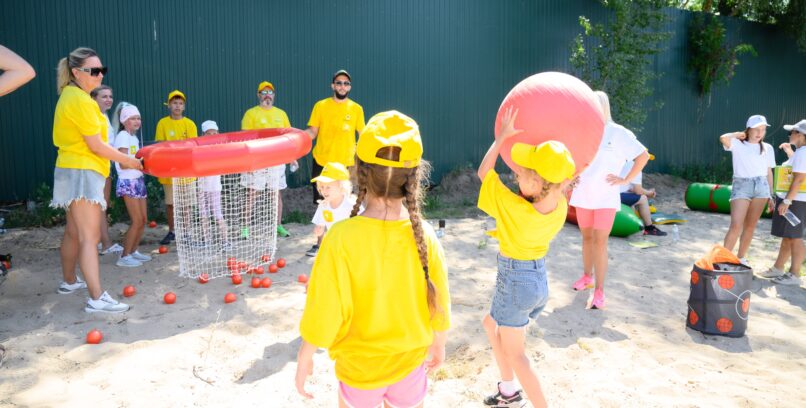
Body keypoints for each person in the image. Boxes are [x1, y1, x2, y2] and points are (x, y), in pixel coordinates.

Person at [295, 111, 451, 408]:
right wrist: (439, 343)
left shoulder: (340, 238)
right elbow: (439, 300)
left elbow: (324, 306)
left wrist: (306, 355)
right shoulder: (426, 235)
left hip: (358, 371)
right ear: (414, 178)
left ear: (359, 173)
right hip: (410, 367)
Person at [477, 108, 576, 408]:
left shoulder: (516, 208)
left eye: (520, 174)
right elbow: (560, 182)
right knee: (489, 325)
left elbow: (484, 173)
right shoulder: (559, 205)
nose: (515, 176)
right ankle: (508, 391)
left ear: (535, 185)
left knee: (517, 355)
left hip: (515, 282)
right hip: (535, 281)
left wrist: (501, 138)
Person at [51, 47, 142, 313]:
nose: (100, 74)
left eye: (103, 69)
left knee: (73, 231)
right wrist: (130, 161)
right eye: (94, 71)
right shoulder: (79, 100)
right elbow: (97, 146)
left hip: (72, 169)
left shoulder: (74, 97)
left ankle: (69, 281)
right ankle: (96, 297)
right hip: (83, 171)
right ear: (76, 73)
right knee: (89, 238)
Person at [570, 91, 649, 310]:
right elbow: (574, 159)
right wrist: (572, 177)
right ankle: (587, 277)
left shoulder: (618, 132)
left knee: (600, 241)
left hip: (605, 196)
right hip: (583, 193)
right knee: (586, 238)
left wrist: (626, 179)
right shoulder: (582, 131)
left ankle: (599, 292)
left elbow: (642, 155)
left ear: (603, 107)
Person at [241, 81, 297, 238]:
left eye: (270, 92)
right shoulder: (251, 114)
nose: (267, 95)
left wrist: (291, 157)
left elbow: (288, 138)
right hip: (257, 160)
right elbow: (245, 138)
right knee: (252, 193)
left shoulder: (281, 114)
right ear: (258, 95)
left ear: (274, 96)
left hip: (276, 161)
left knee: (275, 194)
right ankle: (245, 229)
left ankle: (278, 225)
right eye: (264, 92)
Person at [718, 115, 776, 265]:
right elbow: (723, 138)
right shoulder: (737, 143)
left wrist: (771, 194)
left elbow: (769, 172)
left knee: (750, 226)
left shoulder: (768, 148)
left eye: (762, 129)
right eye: (756, 129)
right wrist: (737, 134)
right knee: (736, 225)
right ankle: (724, 260)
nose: (759, 133)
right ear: (748, 129)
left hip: (762, 187)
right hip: (741, 185)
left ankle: (741, 258)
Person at [305, 69, 366, 203]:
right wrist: (298, 138)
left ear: (349, 87)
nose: (342, 86)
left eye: (346, 83)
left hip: (345, 165)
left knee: (344, 202)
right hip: (322, 162)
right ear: (333, 86)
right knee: (322, 203)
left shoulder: (357, 109)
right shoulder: (320, 106)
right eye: (339, 83)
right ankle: (324, 225)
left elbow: (363, 136)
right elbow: (312, 132)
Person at [763, 119, 806, 286]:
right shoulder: (801, 152)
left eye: (792, 132)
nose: (789, 135)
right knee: (789, 236)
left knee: (794, 237)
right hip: (795, 199)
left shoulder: (803, 153)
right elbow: (798, 168)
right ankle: (778, 268)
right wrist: (790, 153)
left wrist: (787, 200)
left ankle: (794, 274)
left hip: (795, 200)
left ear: (801, 135)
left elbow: (799, 178)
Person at [155, 90, 197, 245]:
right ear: (169, 105)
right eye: (174, 103)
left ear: (184, 106)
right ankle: (172, 231)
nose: (177, 106)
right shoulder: (162, 123)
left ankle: (187, 234)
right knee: (171, 204)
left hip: (187, 171)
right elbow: (160, 146)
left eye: (180, 103)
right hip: (169, 172)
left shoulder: (190, 124)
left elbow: (192, 147)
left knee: (186, 205)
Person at [113, 104, 151, 267]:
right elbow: (122, 164)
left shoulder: (134, 138)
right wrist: (141, 163)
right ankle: (124, 256)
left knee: (143, 219)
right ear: (124, 121)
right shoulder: (122, 135)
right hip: (128, 182)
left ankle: (133, 251)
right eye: (133, 118)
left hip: (138, 181)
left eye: (138, 118)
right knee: (136, 220)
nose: (137, 121)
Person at [90, 85, 124, 255]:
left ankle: (99, 241)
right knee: (99, 206)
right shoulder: (94, 116)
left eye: (110, 96)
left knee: (101, 205)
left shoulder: (104, 116)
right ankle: (105, 243)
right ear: (94, 98)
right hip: (97, 166)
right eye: (104, 96)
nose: (109, 99)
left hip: (105, 165)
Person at [306, 161, 357, 257]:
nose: (323, 191)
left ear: (342, 186)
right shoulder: (323, 205)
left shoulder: (351, 205)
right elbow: (320, 227)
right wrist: (319, 230)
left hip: (352, 248)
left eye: (328, 187)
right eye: (321, 187)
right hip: (334, 246)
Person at [198, 120, 231, 250]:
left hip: (214, 188)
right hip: (202, 187)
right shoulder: (199, 149)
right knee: (203, 214)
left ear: (218, 134)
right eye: (208, 133)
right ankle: (207, 240)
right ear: (203, 135)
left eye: (214, 133)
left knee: (217, 214)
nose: (211, 135)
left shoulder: (220, 148)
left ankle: (225, 241)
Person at [618, 157, 667, 236]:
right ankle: (649, 228)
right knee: (643, 198)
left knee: (634, 200)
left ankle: (634, 225)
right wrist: (649, 193)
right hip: (615, 196)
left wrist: (647, 192)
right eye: (646, 158)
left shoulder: (624, 163)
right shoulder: (635, 166)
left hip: (606, 195)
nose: (646, 162)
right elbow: (638, 190)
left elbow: (631, 189)